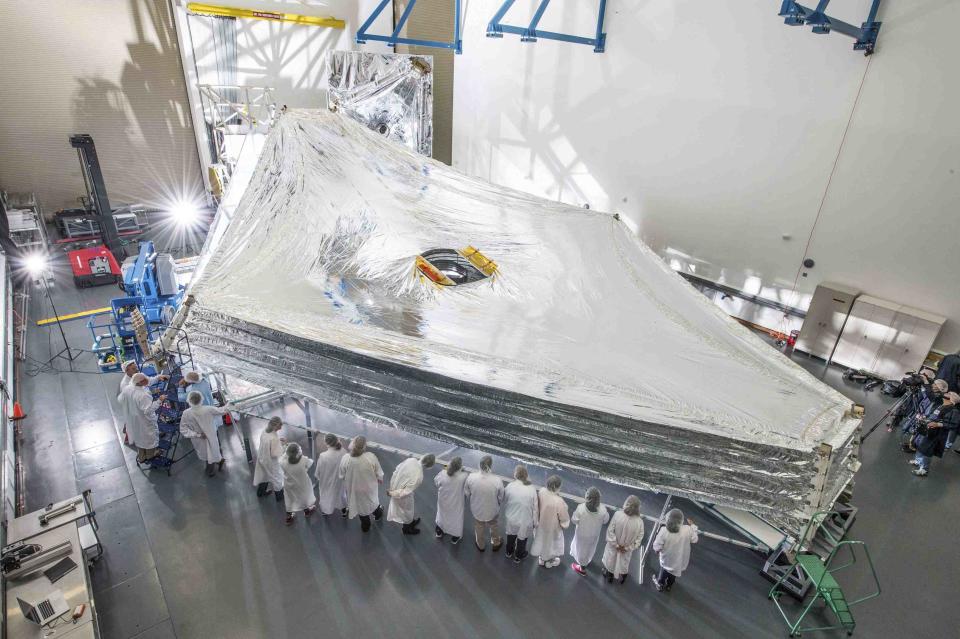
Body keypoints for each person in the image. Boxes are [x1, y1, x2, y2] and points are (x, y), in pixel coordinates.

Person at [338, 435, 384, 532]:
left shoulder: (345, 458)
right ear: (364, 446)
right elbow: (379, 471)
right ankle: (378, 514)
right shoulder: (370, 457)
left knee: (361, 508)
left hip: (355, 489)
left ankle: (365, 526)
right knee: (372, 502)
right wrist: (380, 478)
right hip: (369, 487)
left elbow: (341, 475)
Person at [179, 391, 230, 477]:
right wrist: (230, 403)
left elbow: (183, 429)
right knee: (212, 451)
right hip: (211, 435)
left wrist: (197, 434)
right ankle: (218, 462)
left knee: (207, 454)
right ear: (201, 399)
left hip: (198, 439)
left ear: (189, 400)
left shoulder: (186, 413)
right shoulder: (208, 409)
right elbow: (222, 410)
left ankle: (211, 471)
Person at [910, 391, 960, 476]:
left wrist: (937, 424)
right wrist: (925, 417)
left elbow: (953, 424)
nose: (946, 394)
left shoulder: (954, 411)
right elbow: (932, 415)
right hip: (928, 429)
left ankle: (924, 469)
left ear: (951, 399)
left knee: (927, 450)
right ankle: (918, 460)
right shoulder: (941, 406)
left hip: (937, 434)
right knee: (920, 445)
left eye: (948, 394)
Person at [117, 361, 167, 445]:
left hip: (138, 404)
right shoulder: (125, 384)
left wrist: (158, 377)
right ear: (127, 371)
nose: (136, 369)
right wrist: (156, 397)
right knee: (144, 425)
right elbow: (137, 396)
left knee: (135, 424)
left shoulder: (136, 375)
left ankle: (128, 431)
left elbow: (148, 381)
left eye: (136, 367)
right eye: (133, 368)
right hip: (135, 407)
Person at [119, 373, 165, 463]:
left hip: (134, 418)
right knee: (149, 439)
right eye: (144, 379)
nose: (147, 380)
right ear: (140, 382)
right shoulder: (143, 395)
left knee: (139, 438)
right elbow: (148, 410)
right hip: (145, 421)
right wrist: (160, 400)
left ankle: (142, 457)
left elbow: (136, 395)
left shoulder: (129, 388)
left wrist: (153, 391)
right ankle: (151, 455)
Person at [387, 454, 436, 535]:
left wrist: (392, 487)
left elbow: (396, 470)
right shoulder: (419, 476)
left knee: (408, 512)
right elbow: (405, 491)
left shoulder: (411, 460)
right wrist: (392, 493)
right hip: (403, 495)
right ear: (429, 466)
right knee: (406, 512)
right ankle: (406, 529)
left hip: (396, 486)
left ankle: (411, 522)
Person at [652, 509, 699, 592]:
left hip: (667, 560)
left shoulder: (664, 530)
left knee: (663, 572)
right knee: (673, 575)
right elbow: (695, 539)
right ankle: (669, 586)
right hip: (679, 561)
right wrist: (693, 526)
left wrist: (657, 550)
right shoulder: (687, 529)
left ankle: (660, 584)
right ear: (681, 520)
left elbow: (656, 546)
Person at [602, 495, 644, 584]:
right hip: (626, 551)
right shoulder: (640, 522)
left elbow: (610, 531)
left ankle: (609, 576)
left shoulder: (618, 514)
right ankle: (623, 577)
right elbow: (639, 539)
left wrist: (616, 545)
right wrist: (627, 548)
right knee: (623, 565)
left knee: (610, 562)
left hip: (613, 547)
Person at [465, 455, 504, 552]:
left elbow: (467, 492)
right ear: (491, 466)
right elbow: (501, 496)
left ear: (479, 464)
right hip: (492, 509)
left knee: (479, 526)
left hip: (477, 508)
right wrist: (498, 503)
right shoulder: (497, 480)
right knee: (493, 525)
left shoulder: (471, 477)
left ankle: (480, 544)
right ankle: (496, 542)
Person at [530, 475, 570, 568]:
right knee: (551, 544)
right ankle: (549, 561)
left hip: (541, 523)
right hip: (553, 527)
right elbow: (564, 517)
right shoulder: (559, 501)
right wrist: (564, 525)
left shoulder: (542, 491)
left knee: (541, 540)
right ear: (556, 487)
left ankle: (541, 559)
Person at [569, 487, 610, 575]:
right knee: (590, 549)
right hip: (594, 535)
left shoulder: (581, 508)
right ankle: (586, 560)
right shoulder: (603, 509)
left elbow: (574, 520)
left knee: (580, 549)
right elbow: (606, 520)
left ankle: (581, 568)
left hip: (581, 534)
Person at [502, 465, 538, 563]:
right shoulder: (532, 489)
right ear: (526, 475)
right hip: (525, 520)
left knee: (510, 536)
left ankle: (508, 552)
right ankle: (519, 556)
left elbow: (504, 499)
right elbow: (535, 508)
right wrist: (535, 522)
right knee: (522, 539)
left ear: (515, 474)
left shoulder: (510, 486)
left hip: (511, 517)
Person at [280, 443, 317, 525]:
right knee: (304, 497)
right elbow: (311, 462)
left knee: (289, 500)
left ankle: (289, 517)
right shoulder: (303, 459)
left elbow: (282, 457)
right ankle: (307, 511)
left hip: (289, 485)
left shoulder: (283, 462)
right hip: (302, 484)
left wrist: (286, 449)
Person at [434, 456, 468, 544]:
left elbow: (436, 482)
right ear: (460, 466)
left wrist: (446, 468)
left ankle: (439, 531)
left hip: (443, 499)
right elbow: (467, 490)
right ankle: (455, 537)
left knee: (441, 515)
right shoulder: (463, 476)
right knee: (455, 519)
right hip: (456, 502)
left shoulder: (443, 473)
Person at [315, 434, 348, 516]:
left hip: (326, 481)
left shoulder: (323, 456)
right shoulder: (344, 452)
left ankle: (325, 510)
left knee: (326, 496)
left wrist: (319, 477)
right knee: (341, 495)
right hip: (339, 481)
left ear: (326, 443)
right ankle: (344, 510)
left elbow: (318, 471)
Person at [253, 417, 285, 499]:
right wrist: (282, 445)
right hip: (271, 461)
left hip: (262, 457)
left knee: (264, 475)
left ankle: (260, 492)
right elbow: (275, 454)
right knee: (277, 478)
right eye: (279, 426)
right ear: (275, 426)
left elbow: (268, 443)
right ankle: (279, 496)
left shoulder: (265, 431)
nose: (280, 428)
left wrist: (278, 440)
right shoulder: (273, 438)